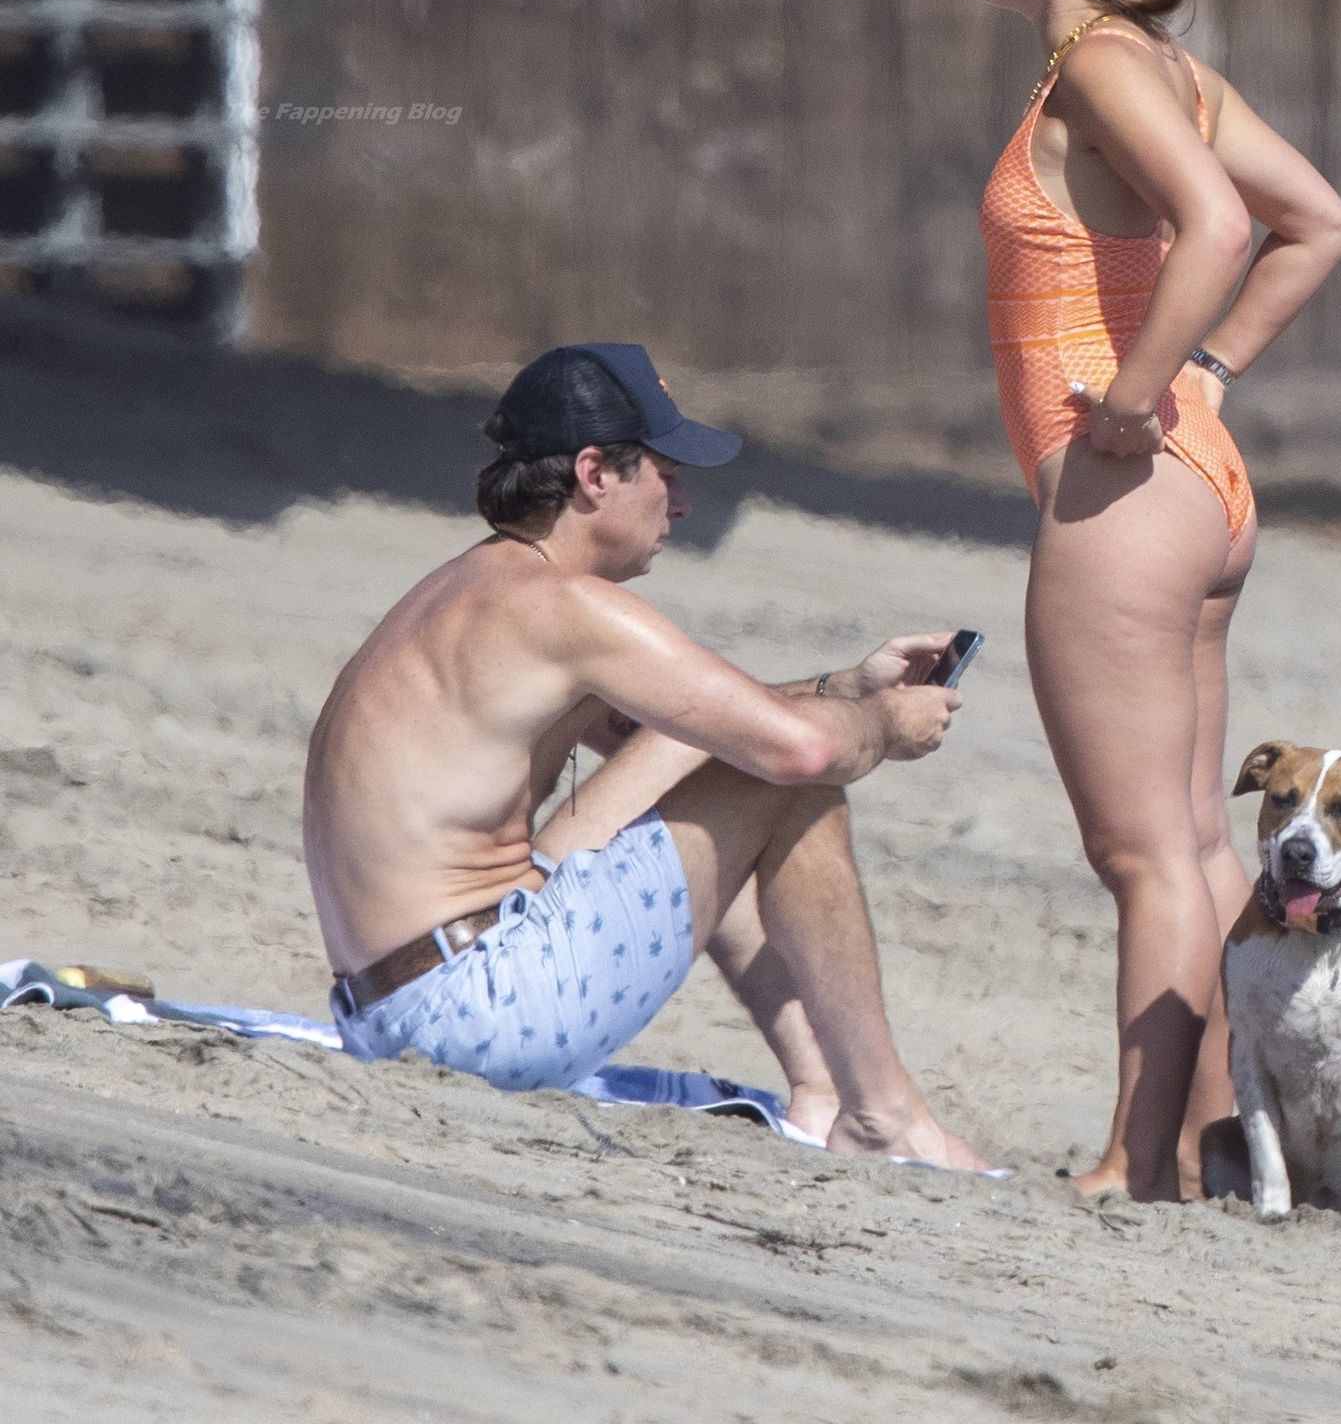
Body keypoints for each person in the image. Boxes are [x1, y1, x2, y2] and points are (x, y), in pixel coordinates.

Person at [303, 340, 984, 1170]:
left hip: (388, 1010)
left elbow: (689, 737)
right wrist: (884, 724)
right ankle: (880, 1114)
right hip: (476, 1015)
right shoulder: (568, 608)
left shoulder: (470, 588)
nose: (684, 505)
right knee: (788, 785)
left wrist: (839, 686)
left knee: (731, 764)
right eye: (666, 475)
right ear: (595, 473)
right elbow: (801, 753)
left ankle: (823, 1096)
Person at [972, 0, 1341, 1200]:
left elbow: (1219, 226)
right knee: (1192, 848)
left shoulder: (1099, 66)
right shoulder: (1168, 72)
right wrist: (1211, 378)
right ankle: (1209, 1148)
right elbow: (1316, 221)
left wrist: (1141, 391)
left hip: (1125, 491)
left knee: (1143, 855)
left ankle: (1135, 1165)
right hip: (1199, 489)